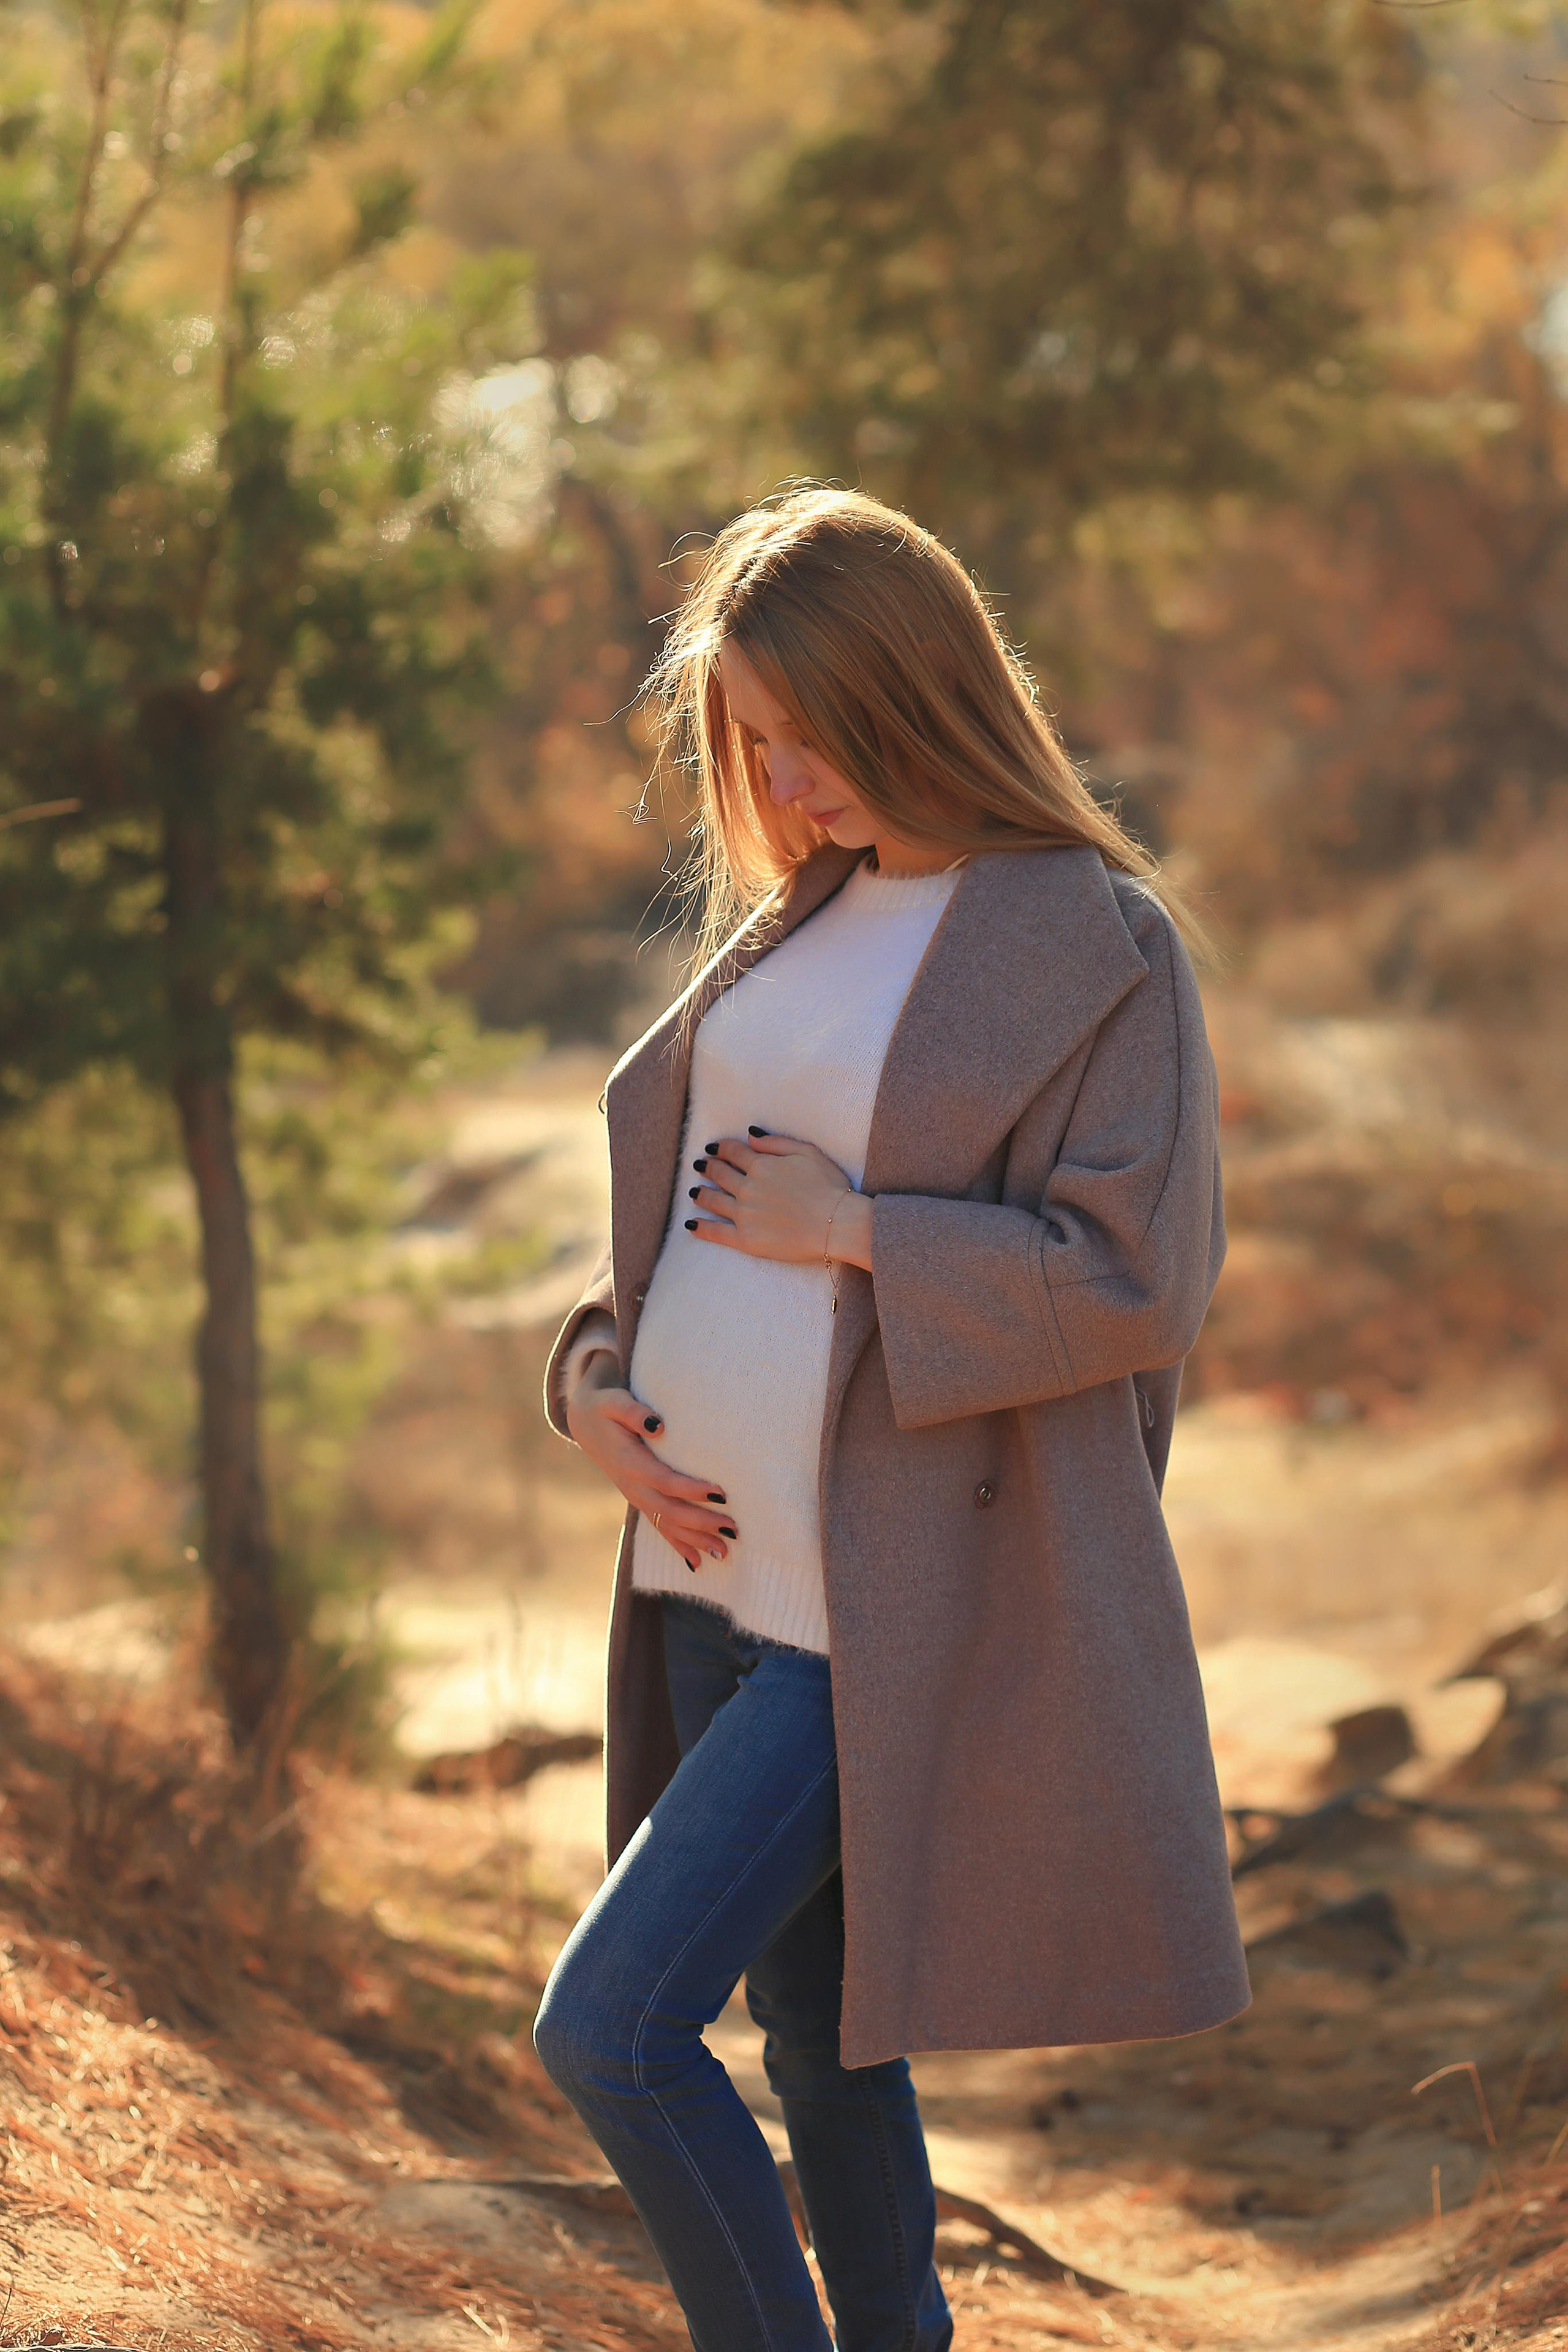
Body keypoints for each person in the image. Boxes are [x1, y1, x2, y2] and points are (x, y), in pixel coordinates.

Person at [533, 486, 1249, 2352]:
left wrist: (858, 1228)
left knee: (611, 2030)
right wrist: (593, 1383)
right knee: (822, 2043)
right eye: (751, 743)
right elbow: (676, 1219)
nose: (778, 784)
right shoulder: (800, 919)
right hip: (698, 1576)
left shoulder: (1100, 946)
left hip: (869, 1615)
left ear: (917, 692)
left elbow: (1136, 1278)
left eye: (810, 737)